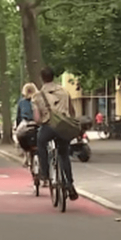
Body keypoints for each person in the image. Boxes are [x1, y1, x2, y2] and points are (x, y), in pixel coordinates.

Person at [32, 67, 79, 200]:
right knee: (64, 155)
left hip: (49, 127)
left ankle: (45, 173)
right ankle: (69, 184)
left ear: (42, 78)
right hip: (63, 127)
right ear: (54, 77)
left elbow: (37, 119)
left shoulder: (38, 96)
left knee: (41, 142)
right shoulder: (64, 92)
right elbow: (72, 112)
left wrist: (42, 121)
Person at [15, 83, 38, 167]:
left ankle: (25, 153)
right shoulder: (38, 99)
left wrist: (17, 126)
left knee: (19, 135)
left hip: (26, 122)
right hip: (37, 122)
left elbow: (18, 116)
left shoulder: (22, 102)